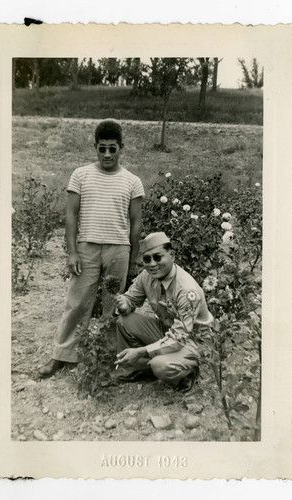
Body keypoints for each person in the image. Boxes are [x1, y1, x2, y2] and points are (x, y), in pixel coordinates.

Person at [39, 119, 144, 378]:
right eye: (102, 149)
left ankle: (106, 355)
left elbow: (136, 223)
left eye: (112, 149)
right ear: (95, 147)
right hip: (87, 249)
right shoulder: (81, 175)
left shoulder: (132, 181)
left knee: (112, 305)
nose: (107, 154)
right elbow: (71, 216)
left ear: (122, 147)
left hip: (118, 250)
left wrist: (132, 261)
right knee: (77, 302)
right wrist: (72, 252)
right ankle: (63, 355)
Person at [112, 232, 214, 392]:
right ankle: (143, 370)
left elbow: (180, 338)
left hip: (193, 340)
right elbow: (130, 301)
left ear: (172, 255)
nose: (152, 264)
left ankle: (187, 373)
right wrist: (124, 304)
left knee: (160, 365)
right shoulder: (146, 276)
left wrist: (141, 351)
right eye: (147, 259)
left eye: (158, 257)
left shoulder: (186, 290)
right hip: (168, 331)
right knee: (124, 321)